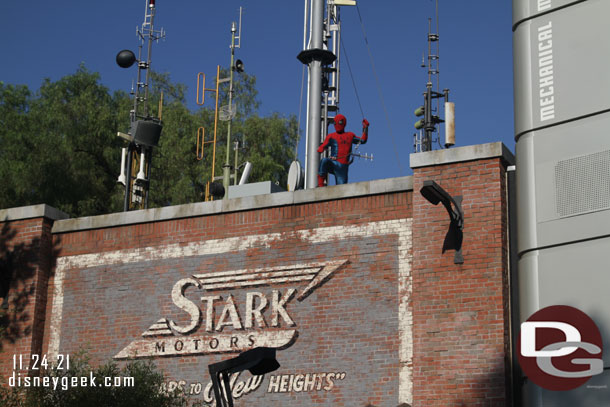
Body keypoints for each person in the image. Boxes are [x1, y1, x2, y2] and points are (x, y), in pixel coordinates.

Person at [317, 114, 369, 187]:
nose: (337, 125)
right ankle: (320, 185)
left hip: (342, 167)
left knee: (341, 189)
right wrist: (321, 148)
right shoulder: (331, 136)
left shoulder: (350, 135)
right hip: (334, 162)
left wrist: (365, 128)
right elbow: (324, 145)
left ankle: (321, 185)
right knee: (324, 161)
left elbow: (362, 140)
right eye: (335, 123)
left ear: (344, 123)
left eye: (340, 123)